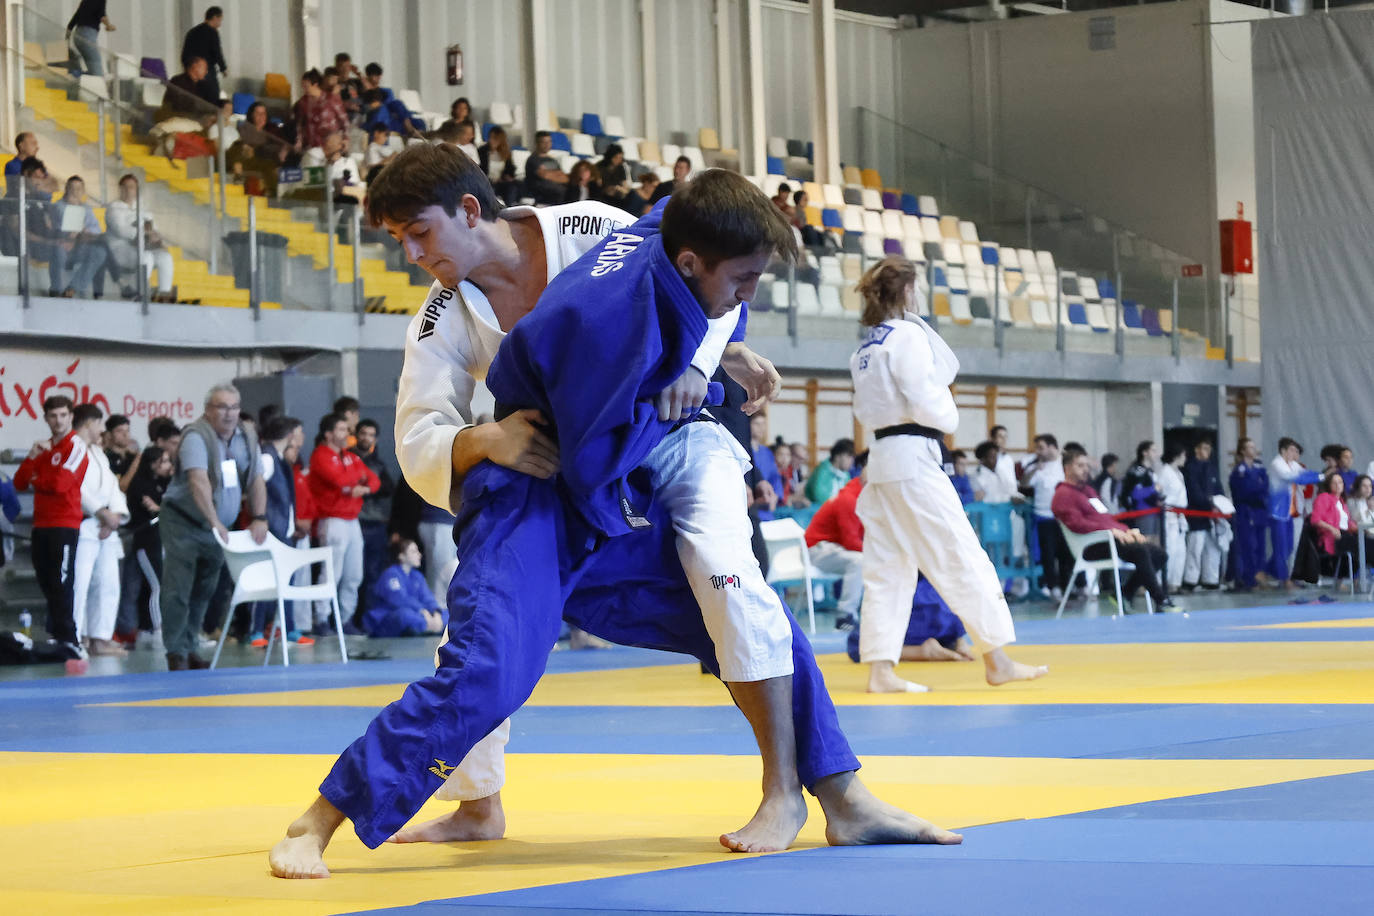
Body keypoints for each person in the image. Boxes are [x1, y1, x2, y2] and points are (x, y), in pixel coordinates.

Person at [269, 161, 959, 880]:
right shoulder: (440, 320)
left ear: (470, 209)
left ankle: (840, 793)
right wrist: (483, 438)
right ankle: (330, 816)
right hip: (531, 485)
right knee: (488, 658)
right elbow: (417, 441)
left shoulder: (594, 228)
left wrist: (714, 358)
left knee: (743, 609)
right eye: (399, 241)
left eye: (419, 233)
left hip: (623, 477)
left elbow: (704, 287)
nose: (412, 255)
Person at [848, 256, 1046, 694]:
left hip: (881, 460)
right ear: (906, 292)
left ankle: (881, 670)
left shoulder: (865, 347)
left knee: (887, 566)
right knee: (959, 553)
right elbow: (927, 399)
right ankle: (997, 658)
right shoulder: (906, 339)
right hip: (914, 458)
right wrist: (948, 415)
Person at [158, 384, 267, 671]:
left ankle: (191, 643)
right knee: (178, 588)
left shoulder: (247, 435)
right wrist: (214, 520)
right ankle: (176, 651)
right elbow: (198, 481)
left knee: (205, 589)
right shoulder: (196, 435)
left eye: (234, 407)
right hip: (184, 520)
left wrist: (260, 516)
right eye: (222, 407)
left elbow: (255, 477)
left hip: (220, 527)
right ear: (208, 410)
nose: (229, 413)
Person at [1053, 448, 1176, 612]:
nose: (1086, 470)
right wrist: (1111, 531)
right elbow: (1077, 524)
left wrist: (1127, 531)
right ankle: (1161, 600)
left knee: (1159, 554)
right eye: (1080, 466)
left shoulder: (1089, 491)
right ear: (1067, 468)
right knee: (1139, 551)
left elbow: (1106, 518)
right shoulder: (1063, 494)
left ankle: (1125, 593)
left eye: (1086, 466)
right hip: (1090, 545)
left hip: (1110, 539)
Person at [13, 396, 88, 659]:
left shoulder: (75, 446)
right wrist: (34, 457)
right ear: (45, 418)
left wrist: (37, 477)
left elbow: (60, 484)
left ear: (70, 417)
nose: (58, 421)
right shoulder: (43, 449)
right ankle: (59, 635)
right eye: (53, 416)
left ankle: (70, 640)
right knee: (46, 582)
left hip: (64, 525)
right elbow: (20, 482)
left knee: (61, 583)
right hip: (41, 524)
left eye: (63, 415)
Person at [308, 413, 380, 634]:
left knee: (354, 574)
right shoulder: (320, 455)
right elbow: (338, 481)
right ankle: (322, 619)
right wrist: (354, 480)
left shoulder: (351, 457)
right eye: (341, 430)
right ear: (328, 434)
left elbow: (375, 480)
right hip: (332, 520)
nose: (346, 434)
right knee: (331, 573)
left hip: (352, 521)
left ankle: (345, 619)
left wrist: (363, 487)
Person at [247, 416, 314, 647]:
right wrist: (261, 517)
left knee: (288, 582)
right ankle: (256, 630)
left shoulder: (280, 459)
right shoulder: (266, 458)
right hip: (270, 531)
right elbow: (254, 488)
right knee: (265, 581)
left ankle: (289, 626)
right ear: (289, 436)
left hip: (284, 530)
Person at [71, 402, 129, 657]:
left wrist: (114, 514)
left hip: (104, 527)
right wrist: (100, 512)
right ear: (88, 423)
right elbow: (74, 487)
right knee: (80, 585)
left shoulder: (98, 452)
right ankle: (76, 638)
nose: (101, 430)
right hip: (84, 524)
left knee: (108, 584)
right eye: (98, 425)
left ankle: (99, 638)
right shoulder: (72, 448)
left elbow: (113, 488)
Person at [124, 445, 173, 647]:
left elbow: (166, 506)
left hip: (158, 540)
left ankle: (146, 627)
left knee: (151, 586)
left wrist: (161, 508)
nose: (169, 466)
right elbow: (154, 509)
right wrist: (160, 509)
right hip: (145, 542)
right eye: (165, 461)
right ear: (153, 464)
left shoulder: (161, 483)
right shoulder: (140, 485)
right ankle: (158, 627)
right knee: (156, 586)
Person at [805, 474, 865, 624]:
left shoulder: (861, 497)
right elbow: (851, 542)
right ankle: (846, 615)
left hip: (832, 548)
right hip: (817, 549)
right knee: (859, 561)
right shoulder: (849, 499)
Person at [352, 419, 395, 621]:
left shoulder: (378, 464)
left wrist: (369, 490)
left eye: (370, 435)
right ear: (357, 435)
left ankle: (367, 619)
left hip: (376, 524)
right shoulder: (348, 459)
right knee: (354, 574)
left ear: (375, 439)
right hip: (356, 522)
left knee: (373, 572)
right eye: (363, 433)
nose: (366, 438)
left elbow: (388, 488)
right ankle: (349, 618)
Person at [365, 539, 446, 637]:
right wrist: (422, 611)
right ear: (401, 556)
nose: (419, 555)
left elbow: (427, 597)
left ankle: (428, 626)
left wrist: (436, 613)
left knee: (448, 614)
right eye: (413, 551)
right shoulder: (391, 574)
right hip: (390, 618)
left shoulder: (417, 575)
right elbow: (399, 600)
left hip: (420, 615)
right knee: (405, 615)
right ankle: (431, 627)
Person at [1026, 433, 1068, 598]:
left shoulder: (1065, 464)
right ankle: (1053, 587)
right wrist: (1035, 469)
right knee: (1048, 555)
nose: (1038, 452)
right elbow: (1024, 483)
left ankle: (1069, 587)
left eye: (1041, 448)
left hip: (1063, 517)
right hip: (1043, 516)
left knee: (1065, 554)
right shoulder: (1036, 466)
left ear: (1052, 447)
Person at [1229, 438, 1274, 591]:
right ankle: (1248, 579)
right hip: (1246, 511)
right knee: (1248, 546)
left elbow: (1266, 485)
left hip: (1259, 510)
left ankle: (1259, 575)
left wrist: (1259, 488)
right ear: (1242, 450)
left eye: (1254, 446)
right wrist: (1258, 488)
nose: (1253, 450)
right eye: (1250, 447)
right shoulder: (1239, 471)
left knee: (1260, 546)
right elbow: (1244, 491)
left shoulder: (1259, 466)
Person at [54, 175, 108, 298]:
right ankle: (57, 288)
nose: (75, 192)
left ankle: (73, 287)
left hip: (81, 246)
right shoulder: (58, 205)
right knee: (59, 252)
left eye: (79, 189)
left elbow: (96, 229)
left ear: (83, 191)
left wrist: (85, 230)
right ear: (66, 189)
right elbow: (63, 225)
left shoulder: (87, 208)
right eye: (72, 188)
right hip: (63, 246)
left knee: (100, 252)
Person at [1182, 437, 1225, 590]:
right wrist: (1208, 503)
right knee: (1195, 547)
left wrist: (1221, 504)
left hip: (1213, 515)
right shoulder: (1190, 468)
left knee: (1212, 548)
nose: (1207, 452)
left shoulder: (1212, 467)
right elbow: (1194, 491)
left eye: (1209, 449)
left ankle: (1211, 580)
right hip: (1197, 514)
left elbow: (1218, 488)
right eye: (1204, 448)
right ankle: (1190, 580)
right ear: (1197, 450)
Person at [1309, 473, 1359, 575]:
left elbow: (1348, 524)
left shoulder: (1342, 502)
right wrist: (1332, 529)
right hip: (1332, 537)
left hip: (1345, 535)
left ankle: (1356, 579)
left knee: (1365, 541)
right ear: (1329, 485)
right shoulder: (1324, 497)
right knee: (1363, 545)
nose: (1337, 485)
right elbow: (1315, 520)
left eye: (1340, 482)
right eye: (1334, 482)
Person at [1156, 444, 1189, 590]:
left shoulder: (1179, 474)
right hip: (1168, 514)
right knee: (1170, 549)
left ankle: (1175, 583)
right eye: (1183, 455)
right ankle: (1162, 581)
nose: (1185, 459)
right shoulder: (1165, 472)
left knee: (1180, 551)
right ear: (1176, 456)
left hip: (1180, 515)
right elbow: (1159, 495)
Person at [181, 7, 227, 106]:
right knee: (212, 100)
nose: (220, 24)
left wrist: (188, 68)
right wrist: (223, 68)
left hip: (191, 72)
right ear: (215, 18)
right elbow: (217, 52)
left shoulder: (192, 32)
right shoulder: (212, 32)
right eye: (220, 20)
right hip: (208, 71)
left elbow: (184, 54)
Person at [294, 69, 349, 154]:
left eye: (306, 86)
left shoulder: (331, 99)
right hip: (312, 146)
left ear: (315, 85)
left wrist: (345, 139)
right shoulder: (303, 102)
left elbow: (344, 121)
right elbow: (300, 124)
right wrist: (299, 140)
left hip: (331, 146)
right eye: (303, 86)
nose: (304, 89)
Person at [1120, 440, 1162, 540]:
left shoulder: (1150, 471)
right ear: (1144, 452)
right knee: (1145, 541)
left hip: (1154, 510)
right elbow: (1135, 494)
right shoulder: (1136, 471)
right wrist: (1153, 488)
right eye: (1153, 450)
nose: (1156, 454)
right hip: (1143, 512)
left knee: (1155, 541)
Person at [66, 0, 115, 77]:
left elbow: (74, 19)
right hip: (87, 35)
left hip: (77, 35)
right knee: (98, 74)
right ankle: (70, 74)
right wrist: (109, 26)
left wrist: (67, 38)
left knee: (93, 71)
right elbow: (102, 16)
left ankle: (73, 74)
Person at [524, 130, 569, 205]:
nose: (547, 144)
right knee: (562, 190)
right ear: (537, 143)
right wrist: (555, 174)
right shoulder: (533, 159)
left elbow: (564, 177)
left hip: (555, 187)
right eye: (544, 142)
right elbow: (544, 175)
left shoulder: (553, 160)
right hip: (540, 190)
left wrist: (550, 173)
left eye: (549, 142)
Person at [805, 439, 855, 504]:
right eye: (849, 456)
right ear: (837, 456)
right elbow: (819, 496)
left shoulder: (846, 474)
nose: (852, 460)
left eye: (853, 457)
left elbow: (849, 495)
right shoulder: (822, 471)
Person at [477, 125, 519, 203]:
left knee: (513, 185)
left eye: (494, 138)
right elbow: (480, 168)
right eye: (490, 138)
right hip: (487, 181)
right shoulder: (482, 151)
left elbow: (510, 169)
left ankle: (511, 206)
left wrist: (507, 176)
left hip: (500, 181)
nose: (491, 140)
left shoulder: (505, 153)